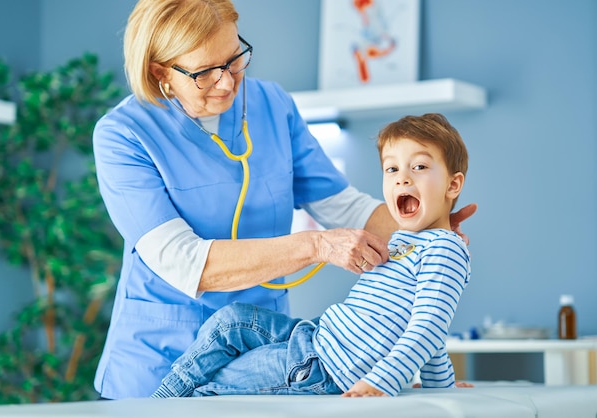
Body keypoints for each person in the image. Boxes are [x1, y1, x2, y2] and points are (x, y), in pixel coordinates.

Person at [92, 0, 476, 399]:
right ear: (161, 72)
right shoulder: (123, 134)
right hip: (159, 361)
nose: (228, 82)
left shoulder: (271, 105)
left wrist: (430, 230)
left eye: (234, 58)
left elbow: (345, 207)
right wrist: (316, 246)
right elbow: (187, 263)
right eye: (205, 72)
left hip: (275, 357)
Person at [150, 113, 471, 398]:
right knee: (230, 321)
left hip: (324, 365)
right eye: (391, 168)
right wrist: (438, 384)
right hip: (317, 335)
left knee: (214, 381)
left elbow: (428, 327)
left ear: (453, 185)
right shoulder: (407, 242)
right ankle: (155, 403)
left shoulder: (445, 249)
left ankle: (152, 409)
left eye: (419, 166)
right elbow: (424, 319)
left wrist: (381, 382)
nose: (402, 177)